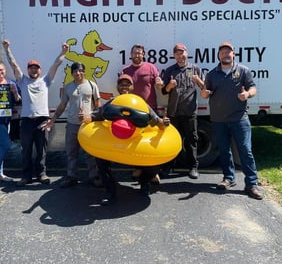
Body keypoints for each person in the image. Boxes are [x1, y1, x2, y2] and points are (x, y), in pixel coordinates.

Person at [81, 74, 170, 205]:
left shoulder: (139, 103)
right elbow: (97, 115)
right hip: (113, 141)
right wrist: (87, 117)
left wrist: (163, 122)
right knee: (101, 163)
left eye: (127, 84)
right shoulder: (113, 102)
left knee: (154, 165)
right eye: (122, 84)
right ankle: (110, 192)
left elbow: (156, 120)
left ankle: (144, 183)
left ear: (132, 87)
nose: (124, 87)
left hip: (134, 142)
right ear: (118, 87)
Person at [200, 41, 263, 200]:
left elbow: (253, 88)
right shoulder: (212, 74)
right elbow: (205, 93)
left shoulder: (243, 71)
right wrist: (204, 93)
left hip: (239, 118)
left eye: (228, 52)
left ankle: (251, 184)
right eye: (222, 52)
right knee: (224, 151)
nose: (225, 54)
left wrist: (247, 94)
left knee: (245, 151)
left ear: (233, 54)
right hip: (218, 119)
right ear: (219, 55)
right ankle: (229, 178)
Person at [2, 40, 69, 186]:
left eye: (36, 68)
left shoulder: (46, 80)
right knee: (25, 150)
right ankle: (26, 176)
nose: (34, 70)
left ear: (40, 69)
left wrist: (63, 53)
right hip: (26, 121)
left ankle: (41, 174)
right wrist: (7, 50)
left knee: (41, 150)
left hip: (43, 120)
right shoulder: (22, 80)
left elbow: (55, 64)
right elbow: (14, 65)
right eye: (31, 68)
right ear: (28, 70)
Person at [46, 62, 102, 188]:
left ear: (84, 72)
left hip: (88, 125)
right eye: (75, 71)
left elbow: (98, 105)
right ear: (72, 74)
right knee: (71, 152)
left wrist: (98, 121)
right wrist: (53, 118)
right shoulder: (68, 87)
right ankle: (72, 177)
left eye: (80, 70)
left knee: (91, 153)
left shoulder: (92, 85)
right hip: (72, 124)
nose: (78, 73)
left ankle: (94, 176)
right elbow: (62, 106)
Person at [121, 44, 163, 183]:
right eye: (135, 53)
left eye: (139, 53)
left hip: (150, 111)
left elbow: (158, 83)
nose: (137, 55)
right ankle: (137, 168)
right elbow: (122, 88)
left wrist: (159, 83)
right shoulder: (125, 70)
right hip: (133, 112)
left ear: (143, 54)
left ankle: (154, 172)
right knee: (135, 142)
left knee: (152, 143)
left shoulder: (151, 67)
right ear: (131, 54)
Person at [161, 43, 203, 179]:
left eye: (182, 52)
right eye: (177, 53)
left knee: (192, 140)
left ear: (187, 53)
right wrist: (170, 86)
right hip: (174, 112)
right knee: (172, 141)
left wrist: (198, 81)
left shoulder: (195, 68)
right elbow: (163, 91)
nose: (180, 55)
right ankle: (169, 166)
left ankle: (193, 167)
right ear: (174, 56)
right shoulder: (169, 70)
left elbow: (204, 88)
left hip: (190, 112)